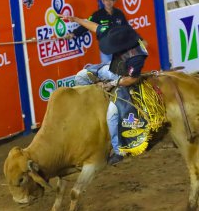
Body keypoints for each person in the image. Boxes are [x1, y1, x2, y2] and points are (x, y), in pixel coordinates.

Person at [60, 15, 148, 165]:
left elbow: (133, 78)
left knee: (112, 116)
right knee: (81, 77)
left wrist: (113, 83)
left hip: (124, 80)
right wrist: (74, 19)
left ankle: (118, 150)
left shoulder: (137, 56)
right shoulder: (114, 33)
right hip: (112, 69)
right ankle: (91, 115)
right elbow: (93, 26)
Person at [64, 0, 128, 63]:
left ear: (114, 1)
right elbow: (86, 25)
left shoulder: (119, 13)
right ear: (103, 1)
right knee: (106, 72)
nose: (108, 2)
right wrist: (73, 33)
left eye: (111, 0)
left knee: (120, 72)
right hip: (105, 49)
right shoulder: (97, 15)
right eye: (106, 0)